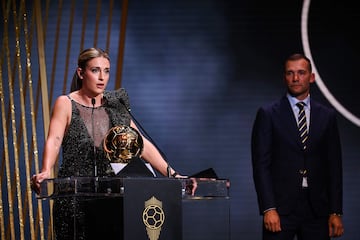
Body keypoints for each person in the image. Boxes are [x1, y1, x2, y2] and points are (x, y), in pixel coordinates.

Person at [31, 47, 184, 239]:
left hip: (111, 199)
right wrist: (45, 170)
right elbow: (54, 140)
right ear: (81, 73)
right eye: (95, 70)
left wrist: (173, 174)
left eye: (106, 71)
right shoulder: (66, 103)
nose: (102, 77)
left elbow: (140, 144)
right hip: (74, 200)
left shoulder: (115, 106)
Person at [251, 53, 344, 240]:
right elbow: (261, 165)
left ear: (312, 77)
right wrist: (269, 208)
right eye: (290, 73)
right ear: (284, 77)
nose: (295, 78)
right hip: (280, 209)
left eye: (301, 72)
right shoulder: (268, 114)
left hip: (317, 209)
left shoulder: (327, 116)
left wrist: (335, 211)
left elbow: (334, 166)